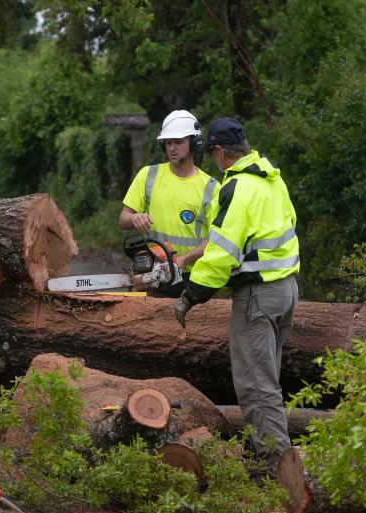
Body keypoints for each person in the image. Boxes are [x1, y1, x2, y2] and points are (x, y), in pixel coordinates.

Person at [174, 117, 299, 466]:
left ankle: (277, 472)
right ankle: (278, 462)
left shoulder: (238, 187)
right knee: (267, 384)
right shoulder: (270, 179)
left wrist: (191, 294)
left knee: (256, 388)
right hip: (286, 290)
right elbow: (275, 230)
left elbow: (224, 253)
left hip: (257, 297)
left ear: (217, 151)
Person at [119, 110, 220, 294]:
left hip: (194, 278)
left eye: (179, 142)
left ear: (194, 142)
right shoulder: (148, 175)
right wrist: (135, 218)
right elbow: (123, 219)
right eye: (168, 142)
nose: (172, 148)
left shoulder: (211, 188)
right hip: (155, 274)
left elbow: (217, 238)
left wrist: (185, 259)